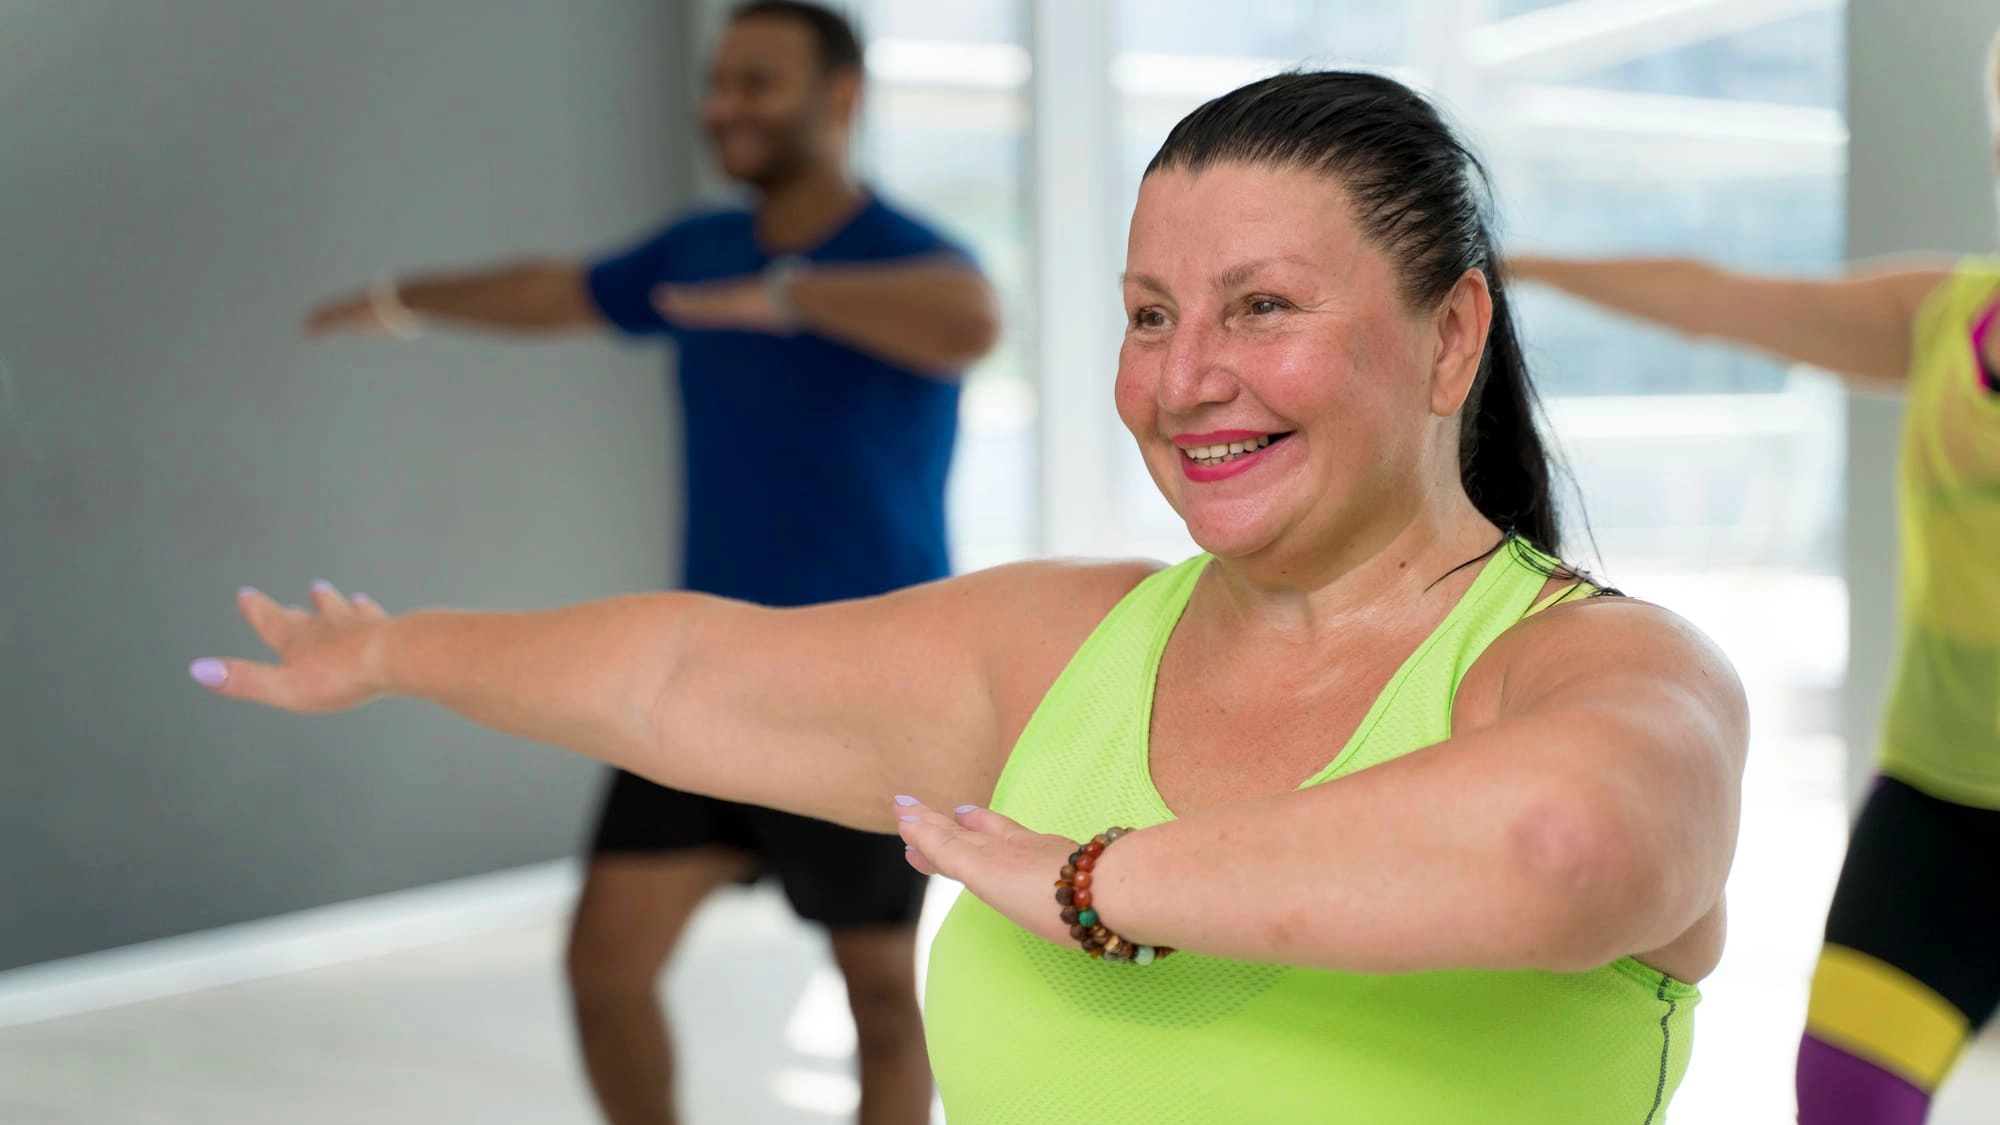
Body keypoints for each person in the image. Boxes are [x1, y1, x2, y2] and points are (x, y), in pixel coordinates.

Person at [195, 69, 1745, 1123]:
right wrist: (394, 648)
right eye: (1150, 313)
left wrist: (1089, 881)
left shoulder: (1590, 666)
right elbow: (681, 672)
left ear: (1451, 337)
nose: (1185, 377)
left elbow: (1561, 850)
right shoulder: (1062, 645)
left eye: (1263, 307)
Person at [296, 4, 999, 1123]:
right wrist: (401, 300)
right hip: (703, 672)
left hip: (862, 683)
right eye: (717, 82)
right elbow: (557, 290)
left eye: (756, 83)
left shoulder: (907, 256)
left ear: (841, 99)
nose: (722, 106)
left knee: (878, 998)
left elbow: (969, 321)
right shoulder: (698, 246)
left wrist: (784, 297)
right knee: (605, 968)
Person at [1508, 31, 2000, 1125]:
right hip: (1940, 808)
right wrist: (1517, 265)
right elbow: (1716, 297)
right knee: (1843, 1103)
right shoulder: (1944, 319)